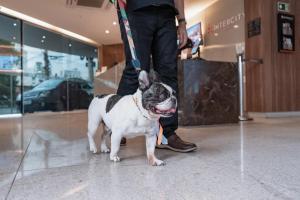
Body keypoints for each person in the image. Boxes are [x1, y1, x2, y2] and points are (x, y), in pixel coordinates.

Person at [117, 0, 197, 152]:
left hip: (167, 13)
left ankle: (165, 134)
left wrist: (182, 23)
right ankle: (117, 124)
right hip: (136, 10)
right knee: (136, 71)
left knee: (168, 71)